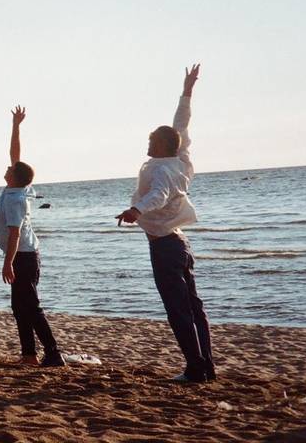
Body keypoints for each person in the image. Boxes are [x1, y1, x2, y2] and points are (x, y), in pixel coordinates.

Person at [115, 64, 215, 382]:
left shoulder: (161, 170)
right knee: (194, 306)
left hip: (165, 247)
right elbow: (180, 126)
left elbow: (159, 195)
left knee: (178, 309)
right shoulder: (180, 159)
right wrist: (187, 92)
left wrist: (136, 211)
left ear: (159, 145)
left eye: (150, 140)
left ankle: (194, 368)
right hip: (179, 242)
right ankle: (205, 365)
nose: (147, 143)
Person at [0, 106, 64, 366]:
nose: (7, 168)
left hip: (23, 257)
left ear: (15, 177)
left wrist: (7, 262)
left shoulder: (16, 198)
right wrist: (16, 125)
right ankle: (29, 355)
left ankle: (53, 353)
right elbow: (15, 154)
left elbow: (14, 234)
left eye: (10, 169)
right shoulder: (16, 187)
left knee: (31, 307)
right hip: (22, 256)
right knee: (19, 307)